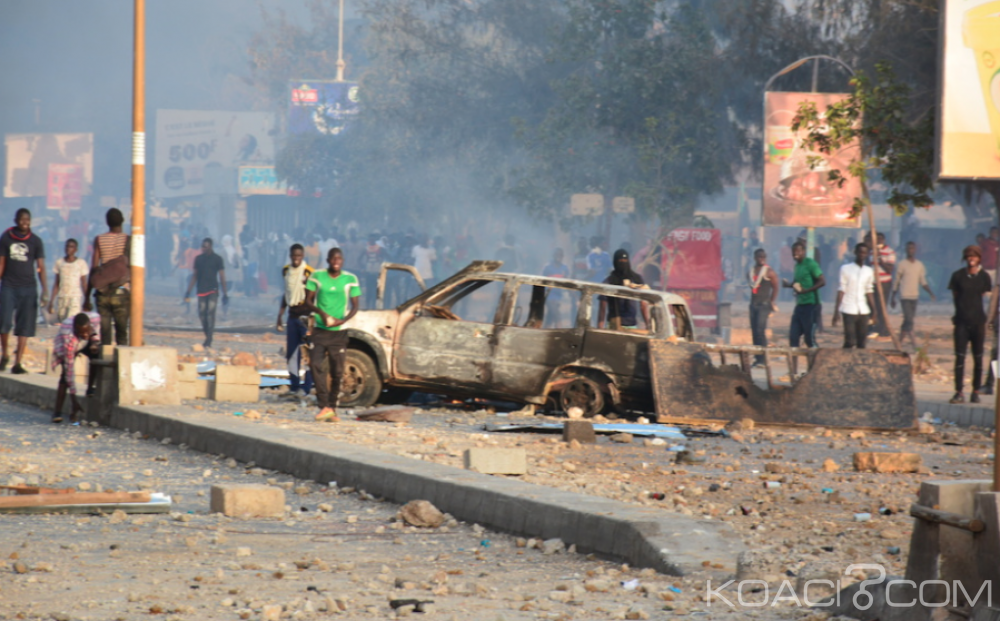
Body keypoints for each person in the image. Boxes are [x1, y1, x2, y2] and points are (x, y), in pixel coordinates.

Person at [305, 248, 361, 423]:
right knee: (315, 365)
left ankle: (332, 408)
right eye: (333, 258)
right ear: (328, 260)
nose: (336, 261)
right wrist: (321, 314)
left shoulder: (350, 279)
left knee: (337, 372)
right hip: (320, 330)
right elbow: (308, 301)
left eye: (339, 258)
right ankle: (323, 406)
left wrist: (342, 320)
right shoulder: (317, 276)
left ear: (342, 261)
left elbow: (355, 306)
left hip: (339, 333)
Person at [0, 209, 47, 373]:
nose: (25, 222)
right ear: (16, 220)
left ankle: (17, 363)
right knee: (3, 322)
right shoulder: (6, 238)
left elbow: (41, 267)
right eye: (22, 219)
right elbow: (1, 264)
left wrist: (45, 290)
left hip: (28, 287)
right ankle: (4, 354)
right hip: (8, 285)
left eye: (27, 219)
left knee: (24, 326)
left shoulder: (36, 241)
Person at [948, 245, 992, 404]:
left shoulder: (984, 277)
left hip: (978, 322)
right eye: (968, 256)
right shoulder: (957, 276)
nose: (971, 259)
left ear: (979, 258)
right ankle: (959, 392)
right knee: (960, 359)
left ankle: (975, 391)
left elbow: (982, 295)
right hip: (961, 322)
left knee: (978, 359)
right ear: (965, 258)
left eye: (974, 256)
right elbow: (956, 296)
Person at [85, 208, 130, 346]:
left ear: (106, 222)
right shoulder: (128, 240)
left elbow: (94, 268)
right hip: (121, 290)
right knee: (121, 333)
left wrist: (87, 296)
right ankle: (121, 363)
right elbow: (132, 268)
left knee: (105, 334)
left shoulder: (99, 239)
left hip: (102, 292)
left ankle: (105, 363)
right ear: (122, 221)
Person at [276, 243, 315, 397]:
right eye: (294, 256)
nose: (296, 259)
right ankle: (294, 386)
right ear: (290, 256)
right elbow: (287, 294)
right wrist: (280, 315)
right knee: (292, 354)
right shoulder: (286, 271)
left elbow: (315, 296)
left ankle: (306, 387)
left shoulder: (310, 272)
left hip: (306, 318)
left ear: (303, 256)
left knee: (308, 354)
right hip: (292, 317)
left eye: (299, 256)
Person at [51, 312, 100, 424]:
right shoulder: (68, 337)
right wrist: (74, 400)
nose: (85, 334)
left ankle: (90, 388)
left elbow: (96, 331)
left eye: (87, 331)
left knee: (96, 354)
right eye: (82, 332)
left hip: (83, 342)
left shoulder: (95, 318)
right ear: (76, 329)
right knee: (64, 377)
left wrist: (94, 341)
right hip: (68, 345)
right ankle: (57, 412)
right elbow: (70, 370)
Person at [890, 241, 936, 348]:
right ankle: (914, 343)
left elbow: (923, 281)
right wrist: (893, 297)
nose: (910, 250)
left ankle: (899, 343)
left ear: (915, 250)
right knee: (909, 318)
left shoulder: (919, 265)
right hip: (904, 296)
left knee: (908, 319)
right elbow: (896, 281)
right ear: (906, 250)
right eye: (908, 248)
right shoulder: (901, 264)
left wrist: (930, 293)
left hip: (914, 296)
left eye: (912, 248)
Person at [184, 238, 227, 349]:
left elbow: (222, 276)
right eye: (202, 246)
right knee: (202, 314)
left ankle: (208, 339)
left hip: (213, 289)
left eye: (205, 246)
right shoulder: (198, 259)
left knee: (210, 314)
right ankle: (208, 335)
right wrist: (188, 291)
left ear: (210, 247)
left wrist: (225, 293)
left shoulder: (218, 259)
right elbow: (195, 276)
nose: (203, 248)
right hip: (201, 290)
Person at [832, 243, 876, 349]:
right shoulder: (845, 269)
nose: (862, 255)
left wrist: (874, 311)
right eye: (860, 252)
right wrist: (836, 311)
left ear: (867, 254)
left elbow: (869, 291)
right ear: (855, 252)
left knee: (862, 342)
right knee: (850, 341)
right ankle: (844, 360)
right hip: (848, 309)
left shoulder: (869, 271)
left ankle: (859, 364)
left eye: (865, 253)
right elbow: (841, 290)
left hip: (863, 310)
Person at [782, 241, 825, 348]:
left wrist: (807, 290)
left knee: (809, 339)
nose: (795, 254)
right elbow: (798, 284)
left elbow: (822, 281)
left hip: (811, 305)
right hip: (800, 305)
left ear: (803, 252)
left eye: (798, 251)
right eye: (793, 252)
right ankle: (794, 365)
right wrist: (788, 285)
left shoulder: (810, 264)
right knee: (793, 337)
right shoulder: (797, 266)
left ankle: (817, 361)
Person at [598, 249, 650, 330]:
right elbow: (602, 307)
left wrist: (648, 324)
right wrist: (600, 327)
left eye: (625, 260)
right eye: (620, 260)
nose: (623, 263)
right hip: (613, 325)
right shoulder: (609, 281)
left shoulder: (636, 279)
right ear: (615, 262)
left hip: (631, 325)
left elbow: (643, 304)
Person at [748, 249, 779, 364]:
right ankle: (758, 358)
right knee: (755, 332)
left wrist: (771, 301)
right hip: (753, 304)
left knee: (760, 331)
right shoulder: (751, 272)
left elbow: (776, 287)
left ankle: (764, 359)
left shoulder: (769, 272)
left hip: (764, 305)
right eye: (759, 257)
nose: (761, 259)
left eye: (763, 257)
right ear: (755, 258)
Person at [48, 238, 89, 323]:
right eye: (67, 246)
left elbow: (84, 284)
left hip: (75, 297)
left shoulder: (81, 263)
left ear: (75, 249)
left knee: (72, 320)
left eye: (71, 247)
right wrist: (51, 301)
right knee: (63, 321)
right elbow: (56, 283)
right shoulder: (59, 263)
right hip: (62, 296)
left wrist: (87, 299)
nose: (68, 249)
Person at [870, 232, 896, 338]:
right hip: (873, 283)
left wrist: (880, 259)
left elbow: (889, 270)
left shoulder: (890, 252)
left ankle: (884, 329)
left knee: (882, 306)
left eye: (880, 239)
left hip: (884, 283)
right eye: (877, 239)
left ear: (884, 240)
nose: (879, 241)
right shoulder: (872, 252)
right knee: (874, 307)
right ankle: (876, 328)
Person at [541, 248, 570, 328]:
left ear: (562, 256)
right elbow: (541, 281)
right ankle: (560, 333)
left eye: (560, 255)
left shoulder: (565, 268)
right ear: (553, 255)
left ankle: (545, 331)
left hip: (558, 296)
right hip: (549, 295)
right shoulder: (547, 267)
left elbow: (567, 282)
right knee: (557, 315)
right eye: (556, 254)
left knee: (550, 317)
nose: (558, 256)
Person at [360, 233, 386, 309]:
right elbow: (359, 258)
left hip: (377, 271)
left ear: (375, 240)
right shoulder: (366, 248)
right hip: (368, 271)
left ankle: (374, 306)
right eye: (370, 239)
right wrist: (363, 267)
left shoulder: (379, 248)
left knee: (375, 289)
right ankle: (367, 306)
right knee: (368, 289)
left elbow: (385, 256)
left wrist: (381, 263)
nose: (371, 240)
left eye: (373, 239)